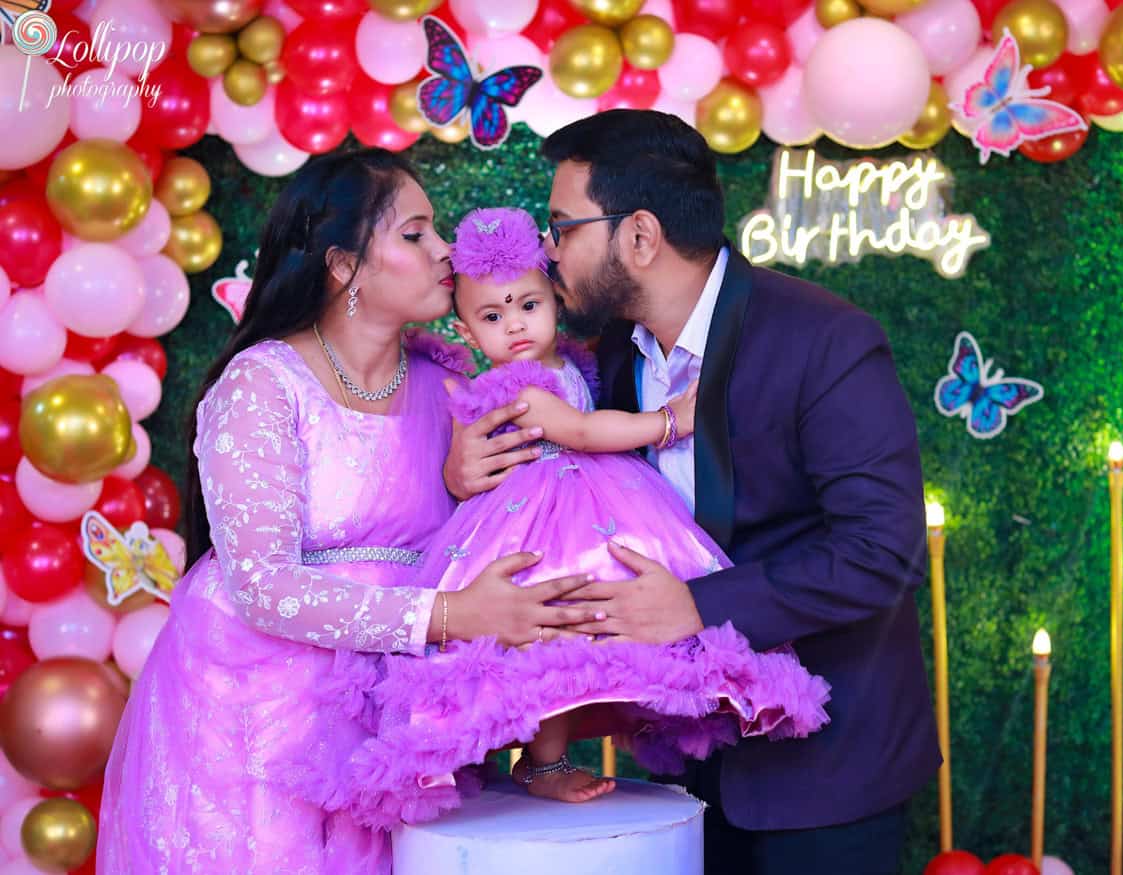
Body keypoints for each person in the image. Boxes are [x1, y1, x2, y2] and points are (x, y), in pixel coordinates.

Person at [444, 110, 941, 875]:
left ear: (639, 237)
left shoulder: (825, 340)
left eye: (563, 227)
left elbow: (884, 551)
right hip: (680, 766)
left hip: (829, 771)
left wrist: (699, 606)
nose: (548, 252)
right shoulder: (603, 358)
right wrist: (469, 470)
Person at [96, 149, 602, 875]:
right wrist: (451, 615)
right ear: (344, 266)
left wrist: (462, 491)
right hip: (260, 720)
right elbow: (263, 586)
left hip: (398, 716)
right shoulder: (262, 387)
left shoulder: (454, 385)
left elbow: (526, 518)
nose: (444, 250)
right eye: (416, 233)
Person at [312, 207, 829, 826]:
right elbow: (582, 430)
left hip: (592, 505)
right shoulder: (527, 389)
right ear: (469, 333)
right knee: (552, 633)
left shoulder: (580, 364)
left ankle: (557, 750)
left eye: (528, 305)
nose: (516, 326)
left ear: (555, 298)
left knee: (592, 632)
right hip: (546, 521)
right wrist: (670, 421)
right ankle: (543, 761)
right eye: (492, 318)